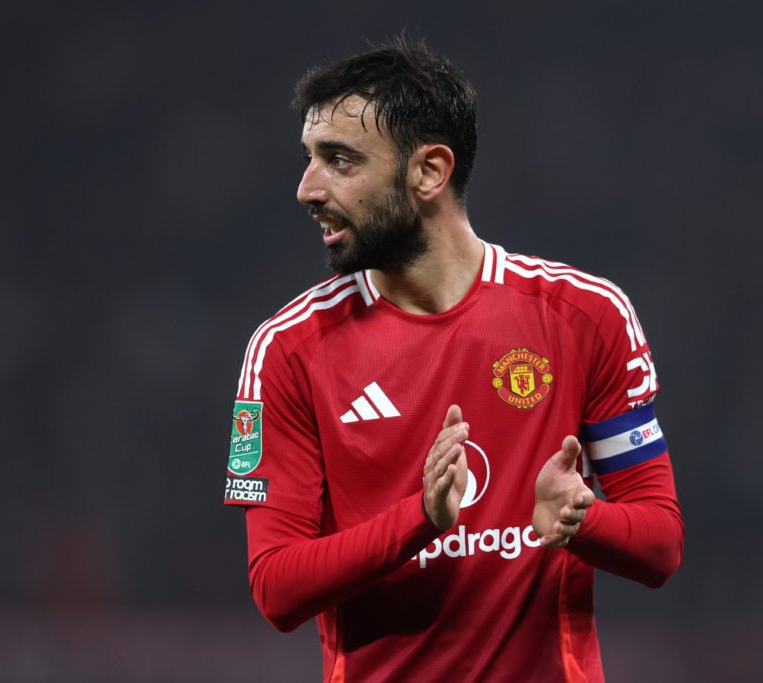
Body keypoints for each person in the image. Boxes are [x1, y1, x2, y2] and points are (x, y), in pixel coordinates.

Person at [223, 37, 684, 683]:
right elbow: (275, 587)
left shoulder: (584, 315)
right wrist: (421, 519)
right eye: (309, 159)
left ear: (430, 171)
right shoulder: (287, 349)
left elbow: (661, 544)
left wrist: (583, 518)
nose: (307, 188)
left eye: (340, 161)